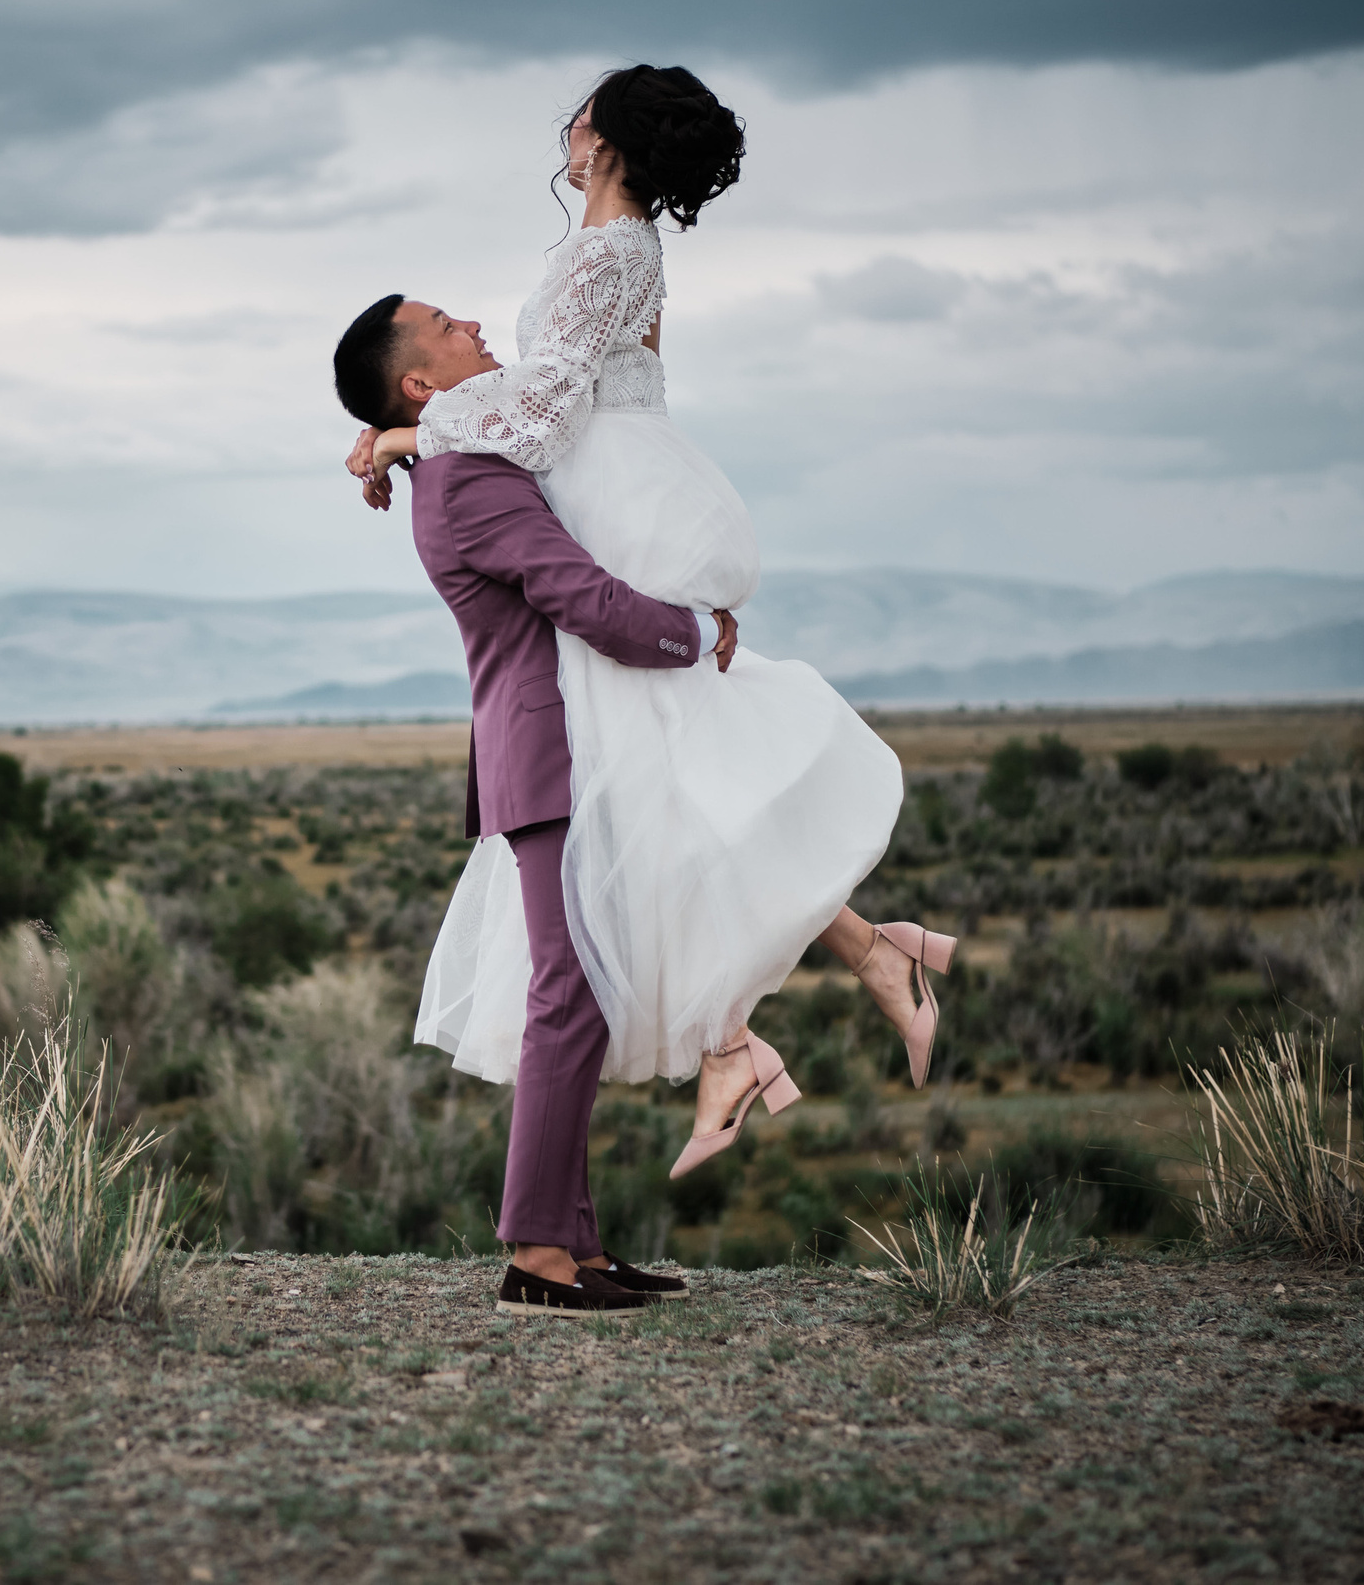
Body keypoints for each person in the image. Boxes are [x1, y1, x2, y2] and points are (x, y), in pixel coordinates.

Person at [339, 65, 953, 1189]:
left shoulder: (602, 253)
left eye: (577, 113)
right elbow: (562, 387)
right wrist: (415, 435)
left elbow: (545, 403)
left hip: (616, 499)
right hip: (625, 486)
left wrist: (409, 438)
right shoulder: (614, 253)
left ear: (606, 138)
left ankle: (775, 1018)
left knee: (649, 782)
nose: (563, 129)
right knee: (663, 779)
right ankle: (838, 977)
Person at [333, 291, 722, 1316]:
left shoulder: (453, 457)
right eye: (443, 325)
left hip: (555, 751)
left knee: (579, 994)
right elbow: (582, 599)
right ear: (418, 381)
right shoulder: (464, 480)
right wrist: (695, 632)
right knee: (566, 994)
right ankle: (538, 1255)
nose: (470, 321)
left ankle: (577, 1246)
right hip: (551, 751)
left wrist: (387, 439)